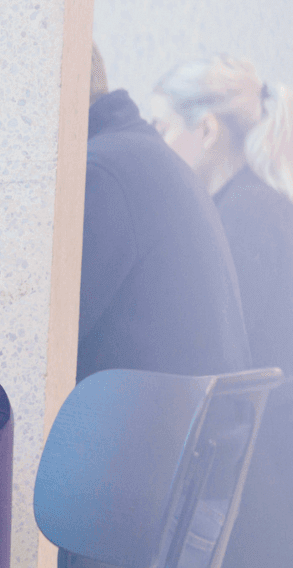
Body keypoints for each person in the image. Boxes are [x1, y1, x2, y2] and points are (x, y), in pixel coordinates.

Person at [150, 56, 293, 547]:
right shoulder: (260, 206)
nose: (153, 145)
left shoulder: (243, 222)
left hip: (285, 485)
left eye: (161, 126)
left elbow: (221, 359)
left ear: (206, 130)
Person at [77, 45, 250, 381]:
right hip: (189, 427)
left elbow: (47, 335)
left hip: (142, 428)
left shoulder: (102, 171)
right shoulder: (144, 155)